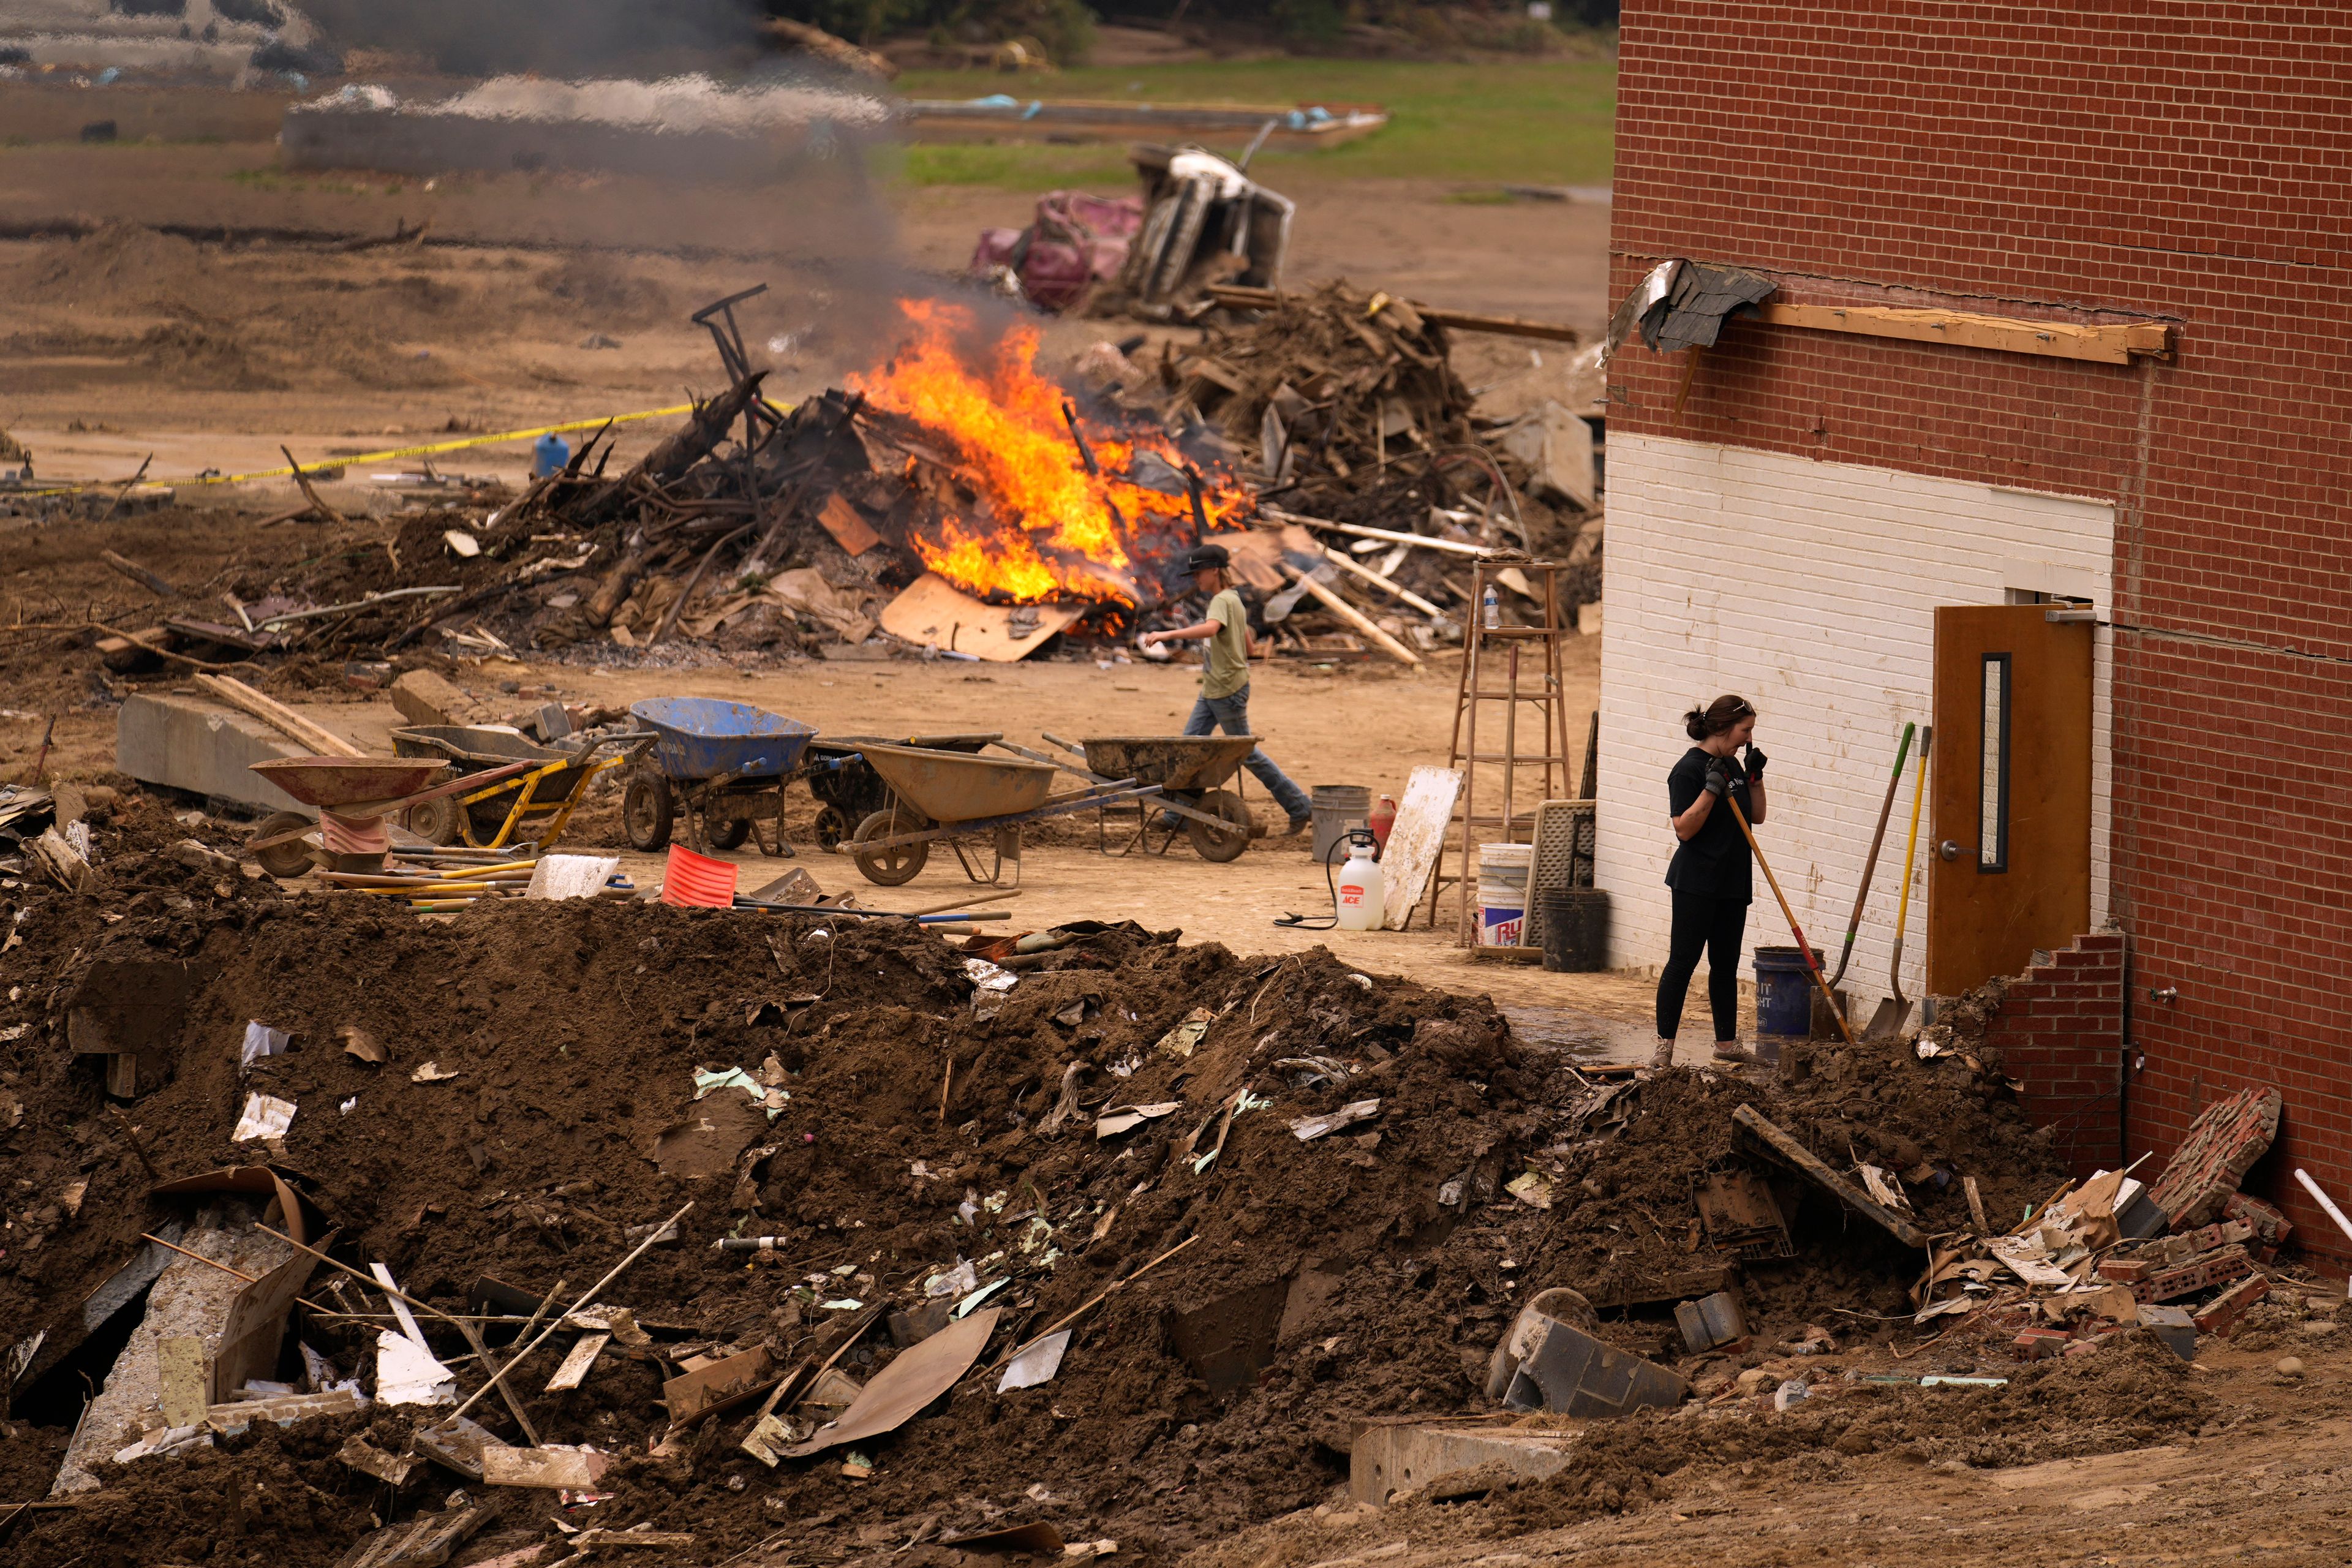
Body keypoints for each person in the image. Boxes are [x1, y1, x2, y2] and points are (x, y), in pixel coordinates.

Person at [1137, 542, 1313, 836]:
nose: (1196, 580)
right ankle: (1177, 814)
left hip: (1226, 690)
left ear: (1215, 571)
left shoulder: (1221, 600)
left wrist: (1167, 633)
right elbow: (1247, 645)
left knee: (1246, 753)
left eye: (1199, 573)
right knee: (1190, 746)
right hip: (1218, 686)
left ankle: (1299, 806)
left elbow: (1211, 629)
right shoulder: (1235, 599)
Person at [1652, 695, 1768, 1069]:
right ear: (1722, 729)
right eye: (1745, 730)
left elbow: (1759, 816)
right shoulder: (1688, 770)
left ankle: (1727, 1044)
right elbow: (1684, 829)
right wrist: (1710, 788)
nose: (1748, 737)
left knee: (1725, 965)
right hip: (1697, 882)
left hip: (1733, 880)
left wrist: (1754, 778)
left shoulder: (1733, 764)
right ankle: (1663, 1049)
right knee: (1683, 962)